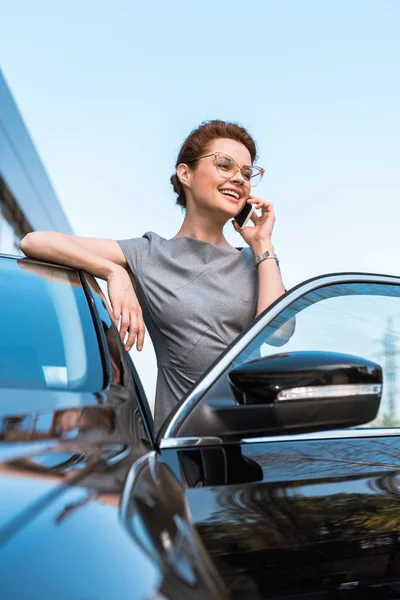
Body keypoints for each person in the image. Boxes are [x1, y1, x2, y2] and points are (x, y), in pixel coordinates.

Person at [20, 120, 286, 432]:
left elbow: (279, 332)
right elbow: (34, 242)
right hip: (184, 448)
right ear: (185, 174)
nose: (239, 179)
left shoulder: (254, 261)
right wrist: (112, 271)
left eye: (246, 173)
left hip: (258, 441)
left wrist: (262, 245)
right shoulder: (150, 253)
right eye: (225, 165)